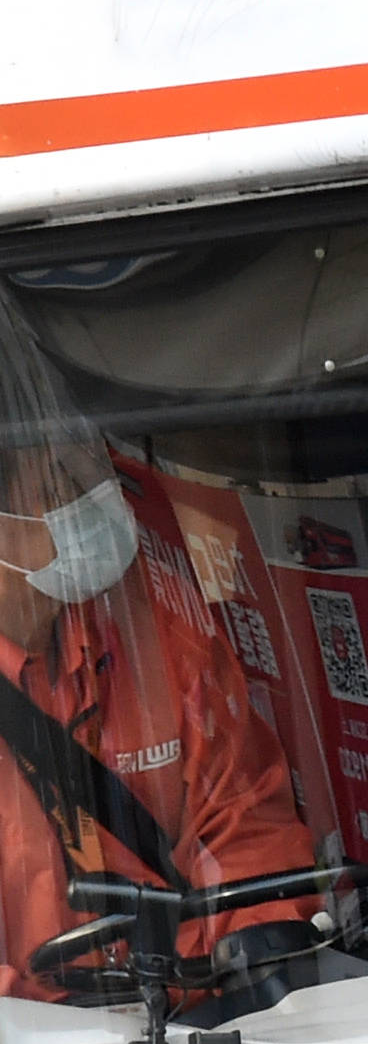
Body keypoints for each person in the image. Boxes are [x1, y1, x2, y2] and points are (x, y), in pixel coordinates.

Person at [0, 303, 317, 1006]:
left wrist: (254, 959)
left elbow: (251, 828)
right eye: (59, 485)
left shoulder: (162, 639)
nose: (96, 497)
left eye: (89, 464)